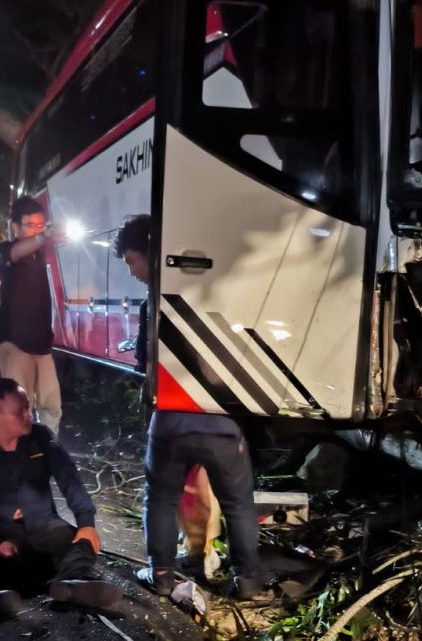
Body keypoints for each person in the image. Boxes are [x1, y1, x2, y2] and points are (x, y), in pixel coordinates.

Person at [114, 215, 261, 599]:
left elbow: (145, 364)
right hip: (222, 426)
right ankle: (248, 582)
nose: (132, 271)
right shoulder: (219, 294)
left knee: (160, 499)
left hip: (171, 424)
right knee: (239, 504)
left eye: (132, 260)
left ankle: (162, 574)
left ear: (149, 252)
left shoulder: (155, 304)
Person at [0, 378, 122, 623]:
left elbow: (70, 479)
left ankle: (74, 585)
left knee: (79, 541)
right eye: (20, 411)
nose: (28, 414)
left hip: (42, 527)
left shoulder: (42, 437)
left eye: (28, 407)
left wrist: (86, 522)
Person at [0, 196, 62, 431]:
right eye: (31, 225)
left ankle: (50, 451)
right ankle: (18, 458)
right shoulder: (7, 251)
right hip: (13, 340)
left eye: (41, 225)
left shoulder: (39, 254)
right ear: (15, 227)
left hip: (41, 342)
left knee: (51, 404)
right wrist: (44, 236)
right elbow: (16, 252)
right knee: (18, 408)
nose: (37, 231)